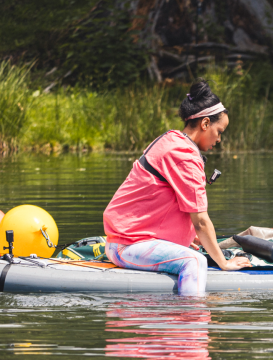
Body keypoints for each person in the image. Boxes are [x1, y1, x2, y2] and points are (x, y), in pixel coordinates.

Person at [103, 79, 251, 296]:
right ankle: (192, 322)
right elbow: (200, 221)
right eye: (219, 131)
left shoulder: (171, 140)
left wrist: (184, 237)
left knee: (193, 251)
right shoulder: (184, 156)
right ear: (205, 123)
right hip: (128, 247)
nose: (219, 139)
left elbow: (158, 202)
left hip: (123, 242)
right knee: (195, 261)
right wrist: (223, 263)